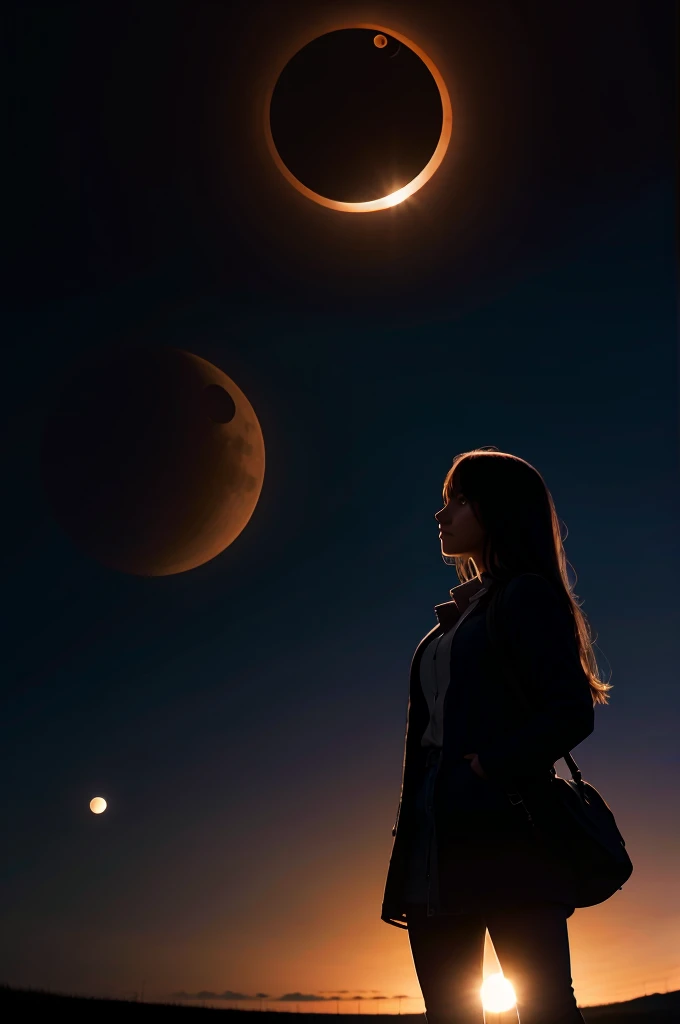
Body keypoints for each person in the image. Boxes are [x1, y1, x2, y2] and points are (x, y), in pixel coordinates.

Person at [380, 447, 612, 1024]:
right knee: (449, 1013)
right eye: (444, 502)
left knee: (544, 1008)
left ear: (497, 508)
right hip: (434, 841)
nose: (442, 515)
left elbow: (570, 712)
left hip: (510, 837)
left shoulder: (526, 596)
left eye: (457, 500)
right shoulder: (455, 618)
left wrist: (490, 768)